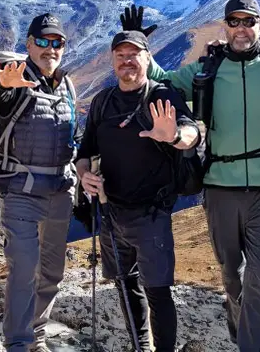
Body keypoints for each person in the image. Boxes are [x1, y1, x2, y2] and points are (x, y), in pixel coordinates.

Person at [121, 0, 260, 352]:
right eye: (234, 22)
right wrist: (140, 45)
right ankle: (238, 320)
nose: (241, 28)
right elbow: (164, 81)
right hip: (220, 186)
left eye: (249, 21)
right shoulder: (209, 67)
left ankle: (253, 346)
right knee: (233, 277)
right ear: (225, 26)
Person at [75, 30, 201, 352]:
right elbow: (85, 151)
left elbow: (191, 134)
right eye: (121, 55)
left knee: (157, 291)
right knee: (124, 283)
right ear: (113, 60)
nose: (127, 61)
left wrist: (172, 136)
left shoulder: (162, 97)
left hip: (152, 213)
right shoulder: (103, 102)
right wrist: (86, 174)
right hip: (112, 211)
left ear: (147, 58)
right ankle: (140, 346)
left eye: (134, 54)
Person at [0, 13, 79, 352]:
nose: (50, 48)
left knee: (52, 271)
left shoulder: (67, 85)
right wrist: (3, 84)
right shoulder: (15, 79)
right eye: (43, 41)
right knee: (24, 268)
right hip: (21, 191)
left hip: (60, 192)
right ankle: (19, 344)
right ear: (29, 44)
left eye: (58, 43)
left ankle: (36, 336)